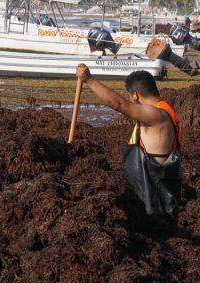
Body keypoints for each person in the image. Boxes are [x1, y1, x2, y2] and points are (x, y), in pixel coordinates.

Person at [75, 64, 182, 216]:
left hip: (154, 200)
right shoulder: (163, 111)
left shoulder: (156, 115)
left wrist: (89, 80)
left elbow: (119, 104)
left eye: (130, 97)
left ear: (135, 95)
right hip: (153, 193)